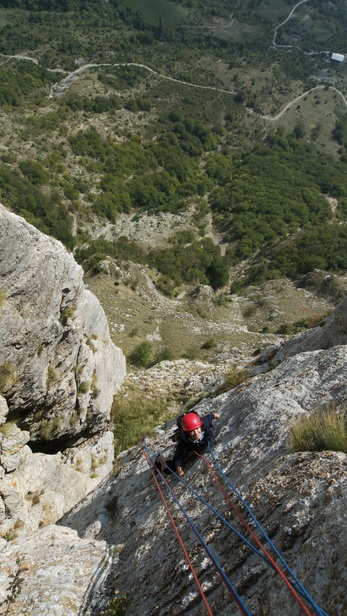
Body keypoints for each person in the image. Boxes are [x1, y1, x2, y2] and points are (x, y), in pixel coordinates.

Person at [155, 411, 220, 477]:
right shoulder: (184, 441)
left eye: (197, 428)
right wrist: (179, 469)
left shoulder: (204, 423)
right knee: (171, 468)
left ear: (200, 426)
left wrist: (216, 415)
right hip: (189, 446)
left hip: (197, 442)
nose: (196, 433)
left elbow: (210, 416)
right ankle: (159, 459)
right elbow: (178, 458)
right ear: (187, 432)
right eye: (191, 431)